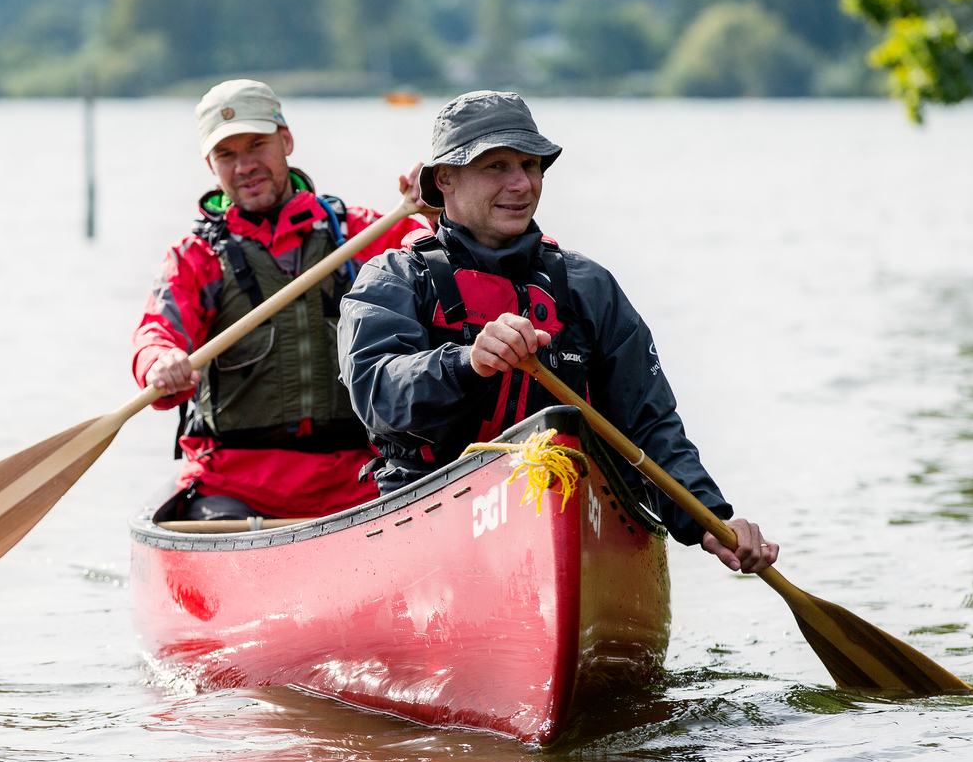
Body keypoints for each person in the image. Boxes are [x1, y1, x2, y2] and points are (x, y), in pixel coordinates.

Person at [338, 90, 778, 573]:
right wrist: (468, 362)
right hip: (427, 511)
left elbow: (648, 424)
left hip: (566, 502)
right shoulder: (393, 279)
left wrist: (710, 519)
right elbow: (377, 392)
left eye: (530, 165)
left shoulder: (589, 287)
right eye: (496, 166)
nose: (521, 184)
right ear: (445, 179)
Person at [130, 79, 430, 520]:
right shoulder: (196, 259)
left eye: (257, 145)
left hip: (360, 479)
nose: (244, 166)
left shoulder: (361, 235)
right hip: (232, 487)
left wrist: (441, 213)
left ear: (285, 141)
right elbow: (157, 333)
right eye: (226, 154)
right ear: (210, 165)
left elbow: (452, 261)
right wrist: (160, 362)